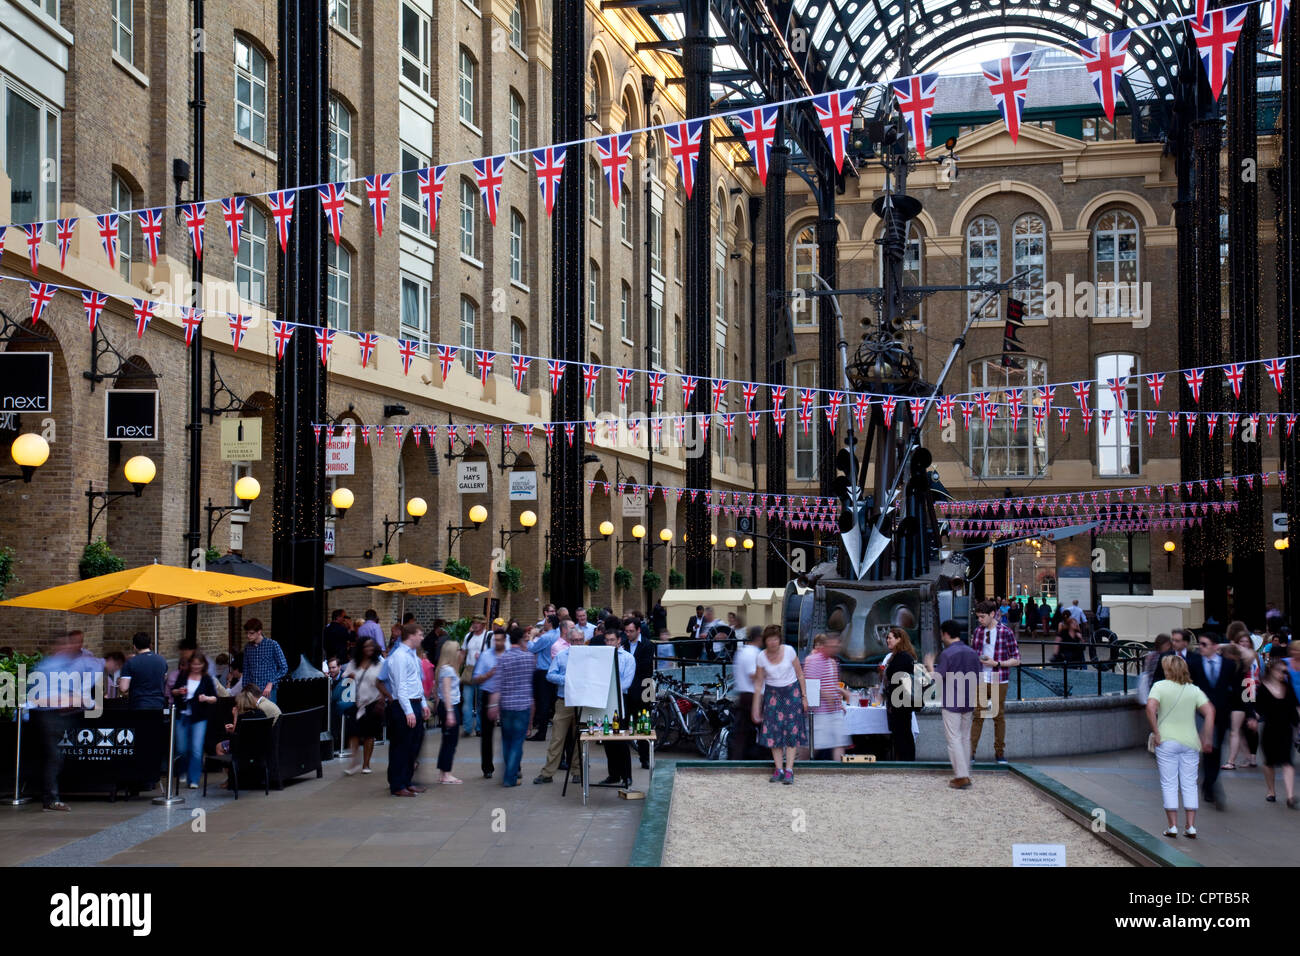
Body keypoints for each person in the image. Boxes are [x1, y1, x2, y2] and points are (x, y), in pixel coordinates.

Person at [1146, 654, 1215, 838]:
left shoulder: (1159, 686)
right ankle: (1191, 826)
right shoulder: (1194, 690)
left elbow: (1150, 708)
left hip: (1166, 740)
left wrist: (1156, 731)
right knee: (1189, 783)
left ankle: (1172, 826)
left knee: (1169, 783)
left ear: (1168, 670)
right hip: (1190, 741)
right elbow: (1210, 712)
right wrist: (1206, 736)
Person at [28, 633, 84, 811]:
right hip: (50, 717)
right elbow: (40, 697)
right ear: (59, 647)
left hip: (59, 717)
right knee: (54, 757)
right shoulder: (48, 667)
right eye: (69, 644)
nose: (74, 647)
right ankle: (50, 799)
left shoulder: (64, 666)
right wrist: (65, 701)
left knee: (56, 757)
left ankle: (51, 796)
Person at [928, 619, 981, 789]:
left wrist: (930, 666)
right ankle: (965, 772)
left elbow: (936, 678)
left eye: (942, 634)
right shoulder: (972, 652)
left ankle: (961, 775)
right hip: (969, 700)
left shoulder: (947, 654)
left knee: (954, 739)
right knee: (965, 738)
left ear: (946, 634)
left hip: (951, 701)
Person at [752, 625, 808, 784]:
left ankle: (789, 769)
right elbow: (758, 683)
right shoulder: (761, 657)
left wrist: (804, 697)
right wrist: (756, 706)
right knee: (773, 733)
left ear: (779, 640)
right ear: (765, 641)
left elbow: (800, 674)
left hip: (791, 693)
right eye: (770, 639)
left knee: (791, 731)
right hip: (772, 695)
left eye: (775, 639)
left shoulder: (789, 651)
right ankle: (779, 768)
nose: (773, 642)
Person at [378, 622, 429, 797]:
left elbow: (416, 682)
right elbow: (400, 686)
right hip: (402, 704)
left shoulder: (412, 656)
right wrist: (408, 711)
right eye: (420, 634)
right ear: (411, 635)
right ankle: (397, 784)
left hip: (413, 701)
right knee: (401, 745)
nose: (422, 638)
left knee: (412, 745)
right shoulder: (399, 656)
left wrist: (422, 704)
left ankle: (407, 781)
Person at [1187, 632, 1238, 811]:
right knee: (1209, 749)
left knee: (1215, 750)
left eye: (1204, 644)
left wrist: (1247, 711)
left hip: (1222, 715)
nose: (1200, 647)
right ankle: (1212, 785)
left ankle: (1209, 783)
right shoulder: (1194, 664)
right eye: (1200, 644)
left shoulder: (1228, 665)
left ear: (1215, 647)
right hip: (1201, 714)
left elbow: (1237, 689)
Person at [969, 598, 1020, 764]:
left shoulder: (1006, 632)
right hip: (981, 678)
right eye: (978, 617)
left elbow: (1017, 659)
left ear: (992, 614)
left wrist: (996, 663)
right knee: (978, 715)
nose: (980, 620)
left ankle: (999, 753)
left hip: (999, 678)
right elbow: (973, 654)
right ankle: (970, 753)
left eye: (982, 616)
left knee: (998, 716)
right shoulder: (978, 632)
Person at [536, 621, 583, 785]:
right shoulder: (562, 656)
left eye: (580, 640)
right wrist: (567, 679)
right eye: (575, 640)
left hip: (583, 701)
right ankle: (548, 772)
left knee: (580, 738)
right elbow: (550, 675)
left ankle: (578, 771)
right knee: (557, 738)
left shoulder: (590, 656)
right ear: (569, 641)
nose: (578, 643)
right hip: (564, 701)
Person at [488, 627, 535, 788]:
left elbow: (497, 685)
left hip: (506, 705)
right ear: (522, 639)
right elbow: (530, 683)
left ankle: (509, 772)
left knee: (507, 741)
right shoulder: (529, 658)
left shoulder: (503, 659)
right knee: (517, 742)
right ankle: (510, 776)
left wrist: (493, 706)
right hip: (523, 705)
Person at [1255, 656, 1299, 807]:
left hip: (1286, 730)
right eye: (1281, 671)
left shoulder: (1288, 687)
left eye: (1286, 672)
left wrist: (1297, 724)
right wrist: (1252, 719)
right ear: (1272, 671)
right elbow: (1257, 708)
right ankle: (1271, 791)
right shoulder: (1262, 688)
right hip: (1270, 730)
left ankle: (1290, 796)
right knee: (1269, 763)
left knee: (1288, 762)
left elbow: (1294, 707)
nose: (1284, 674)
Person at [170, 652, 218, 789]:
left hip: (199, 717)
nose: (196, 667)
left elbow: (214, 698)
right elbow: (173, 691)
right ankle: (183, 770)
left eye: (199, 664)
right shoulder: (183, 675)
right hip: (182, 715)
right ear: (190, 664)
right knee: (182, 748)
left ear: (204, 665)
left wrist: (206, 698)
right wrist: (178, 692)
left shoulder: (207, 679)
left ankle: (194, 778)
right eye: (194, 664)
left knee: (196, 748)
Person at [597, 629, 637, 789]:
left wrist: (606, 686)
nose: (609, 643)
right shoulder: (601, 657)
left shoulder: (627, 658)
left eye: (612, 640)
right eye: (606, 640)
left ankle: (627, 776)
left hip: (621, 700)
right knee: (607, 738)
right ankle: (613, 774)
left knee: (621, 739)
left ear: (619, 641)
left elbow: (626, 683)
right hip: (605, 700)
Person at [343, 637, 387, 776]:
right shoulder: (353, 664)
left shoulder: (379, 664)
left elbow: (383, 682)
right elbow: (345, 679)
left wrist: (382, 698)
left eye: (371, 646)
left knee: (369, 734)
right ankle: (353, 762)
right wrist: (349, 676)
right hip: (355, 701)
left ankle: (366, 764)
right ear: (361, 648)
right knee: (353, 733)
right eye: (366, 646)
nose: (369, 649)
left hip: (372, 702)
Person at [803, 632, 849, 761]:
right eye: (833, 646)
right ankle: (799, 765)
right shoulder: (813, 660)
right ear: (826, 645)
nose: (835, 649)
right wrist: (826, 695)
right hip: (819, 711)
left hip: (833, 710)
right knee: (813, 745)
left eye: (837, 647)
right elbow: (810, 683)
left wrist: (840, 696)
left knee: (839, 742)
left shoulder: (832, 662)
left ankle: (838, 772)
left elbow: (831, 683)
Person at [471, 628, 507, 779]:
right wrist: (488, 674)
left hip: (506, 695)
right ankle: (487, 768)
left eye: (500, 640)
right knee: (487, 734)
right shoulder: (486, 656)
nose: (497, 642)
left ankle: (513, 766)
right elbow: (476, 678)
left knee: (509, 732)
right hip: (488, 694)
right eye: (495, 640)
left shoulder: (510, 654)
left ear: (505, 640)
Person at [883, 627, 923, 761]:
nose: (887, 640)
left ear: (899, 639)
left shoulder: (902, 657)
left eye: (890, 637)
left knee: (903, 733)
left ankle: (907, 762)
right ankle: (906, 761)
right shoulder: (901, 656)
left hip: (901, 702)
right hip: (900, 702)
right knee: (903, 733)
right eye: (887, 638)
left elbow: (899, 680)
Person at [623, 617, 656, 769]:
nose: (628, 634)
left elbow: (645, 668)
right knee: (625, 724)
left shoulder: (648, 645)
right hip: (627, 690)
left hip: (643, 689)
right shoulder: (623, 643)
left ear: (638, 630)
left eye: (631, 631)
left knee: (643, 724)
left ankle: (645, 758)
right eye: (626, 631)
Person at [729, 625, 764, 760]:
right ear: (759, 638)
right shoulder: (752, 653)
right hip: (751, 695)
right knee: (752, 729)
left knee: (743, 730)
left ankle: (738, 757)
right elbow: (753, 675)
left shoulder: (742, 651)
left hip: (744, 694)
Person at [527, 616, 561, 741]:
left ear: (550, 623)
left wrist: (531, 636)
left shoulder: (546, 637)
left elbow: (531, 648)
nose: (544, 623)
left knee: (543, 703)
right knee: (551, 702)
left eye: (546, 621)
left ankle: (541, 732)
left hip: (543, 672)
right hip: (554, 670)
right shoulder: (558, 634)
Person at [434, 640, 463, 785]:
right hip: (450, 706)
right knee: (450, 741)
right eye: (458, 650)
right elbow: (445, 691)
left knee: (447, 740)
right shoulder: (448, 670)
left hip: (447, 706)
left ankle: (443, 772)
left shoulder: (444, 669)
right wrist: (450, 713)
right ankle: (446, 773)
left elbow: (438, 690)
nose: (460, 652)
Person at [118, 631, 168, 710]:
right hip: (159, 704)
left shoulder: (131, 662)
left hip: (139, 704)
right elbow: (164, 679)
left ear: (134, 646)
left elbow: (123, 688)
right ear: (150, 645)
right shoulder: (162, 660)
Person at [241, 618, 288, 703]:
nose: (248, 636)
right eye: (247, 633)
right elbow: (246, 670)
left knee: (270, 714)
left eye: (251, 633)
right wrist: (245, 689)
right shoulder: (247, 647)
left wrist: (271, 683)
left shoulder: (273, 644)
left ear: (259, 632)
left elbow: (284, 667)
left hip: (268, 691)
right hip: (252, 691)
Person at [460, 615, 489, 737]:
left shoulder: (489, 636)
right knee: (467, 701)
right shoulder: (469, 636)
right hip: (469, 670)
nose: (475, 624)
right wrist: (457, 669)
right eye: (474, 622)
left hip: (483, 671)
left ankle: (480, 728)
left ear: (483, 624)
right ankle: (467, 728)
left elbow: (495, 654)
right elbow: (463, 653)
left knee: (481, 702)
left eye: (478, 622)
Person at [1138, 635, 1172, 705]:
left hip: (1152, 688)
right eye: (1167, 645)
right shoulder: (1161, 657)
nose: (1169, 646)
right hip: (1159, 689)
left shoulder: (1151, 655)